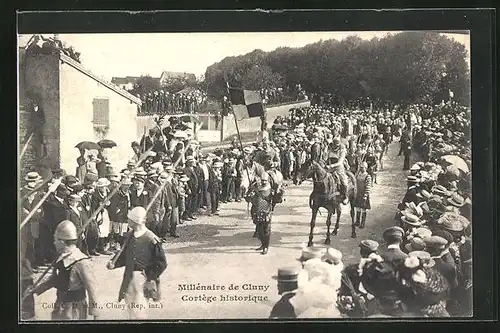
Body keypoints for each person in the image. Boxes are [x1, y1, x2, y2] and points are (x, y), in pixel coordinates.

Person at [25, 220, 100, 320]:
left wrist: (96, 315)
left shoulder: (81, 262)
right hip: (60, 305)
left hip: (75, 309)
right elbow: (54, 279)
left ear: (62, 242)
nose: (54, 242)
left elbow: (92, 289)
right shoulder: (60, 257)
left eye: (55, 239)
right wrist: (35, 289)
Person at [106, 207, 167, 319]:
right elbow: (124, 255)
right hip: (128, 277)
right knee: (129, 308)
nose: (128, 222)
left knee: (140, 311)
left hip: (143, 280)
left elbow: (161, 262)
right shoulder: (129, 236)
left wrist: (149, 273)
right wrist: (114, 263)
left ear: (136, 222)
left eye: (130, 220)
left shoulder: (151, 239)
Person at [247, 172, 273, 255]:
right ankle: (263, 244)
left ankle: (266, 247)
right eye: (262, 180)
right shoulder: (257, 188)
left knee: (266, 231)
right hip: (258, 212)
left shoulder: (270, 189)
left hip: (267, 212)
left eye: (265, 180)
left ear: (268, 180)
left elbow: (275, 199)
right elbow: (252, 199)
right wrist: (249, 196)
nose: (264, 182)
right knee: (260, 230)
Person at [326, 137, 349, 205]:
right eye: (334, 144)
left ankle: (345, 196)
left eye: (336, 145)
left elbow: (340, 162)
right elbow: (327, 158)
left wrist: (332, 166)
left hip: (338, 168)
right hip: (329, 167)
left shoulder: (342, 151)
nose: (334, 146)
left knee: (343, 180)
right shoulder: (330, 149)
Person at [354, 162, 372, 229]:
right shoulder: (358, 174)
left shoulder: (368, 176)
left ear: (366, 168)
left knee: (364, 208)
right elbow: (354, 180)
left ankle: (362, 223)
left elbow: (368, 187)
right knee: (358, 207)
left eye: (362, 167)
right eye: (360, 167)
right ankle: (357, 221)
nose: (361, 169)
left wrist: (365, 195)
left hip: (364, 194)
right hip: (358, 193)